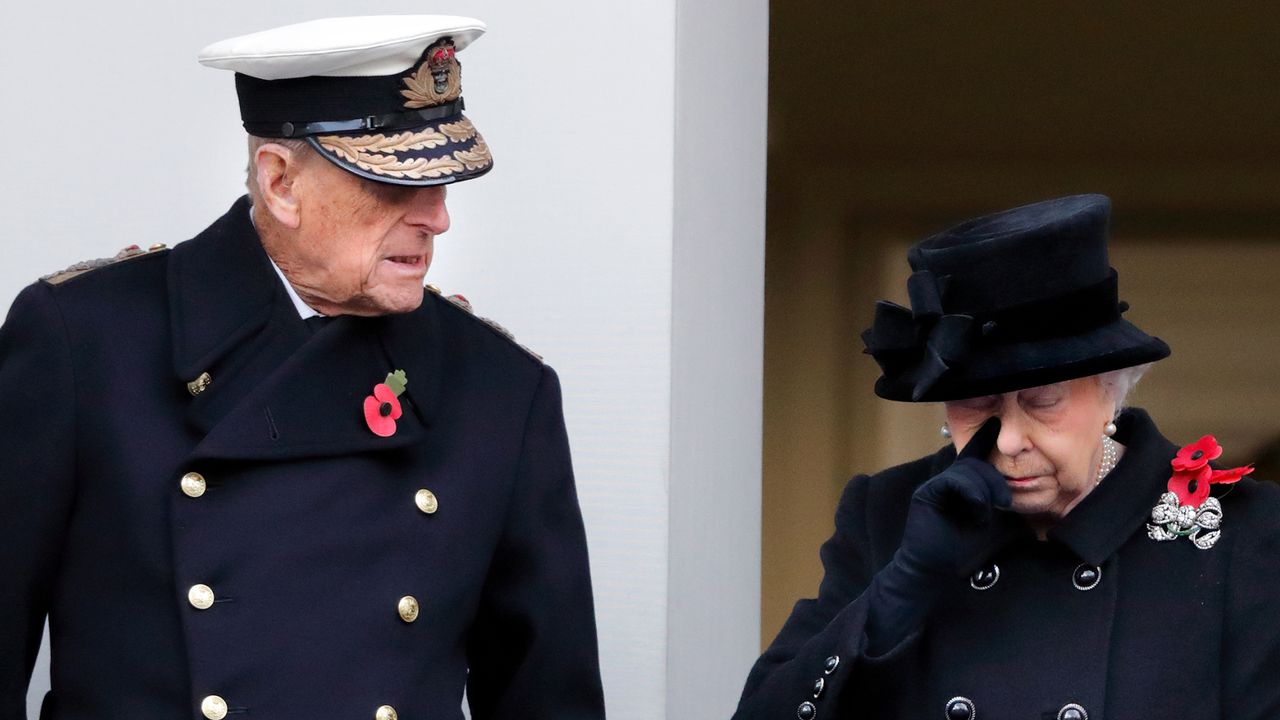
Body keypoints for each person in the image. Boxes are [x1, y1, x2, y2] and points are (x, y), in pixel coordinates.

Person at [0, 16, 605, 720]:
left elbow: (548, 700)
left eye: (442, 183)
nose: (437, 219)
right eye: (394, 184)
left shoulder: (502, 389)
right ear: (280, 182)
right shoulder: (85, 343)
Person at [733, 195, 1280, 719]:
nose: (1010, 440)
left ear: (1110, 391)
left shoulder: (1246, 531)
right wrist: (903, 584)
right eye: (978, 405)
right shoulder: (885, 513)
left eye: (1043, 402)